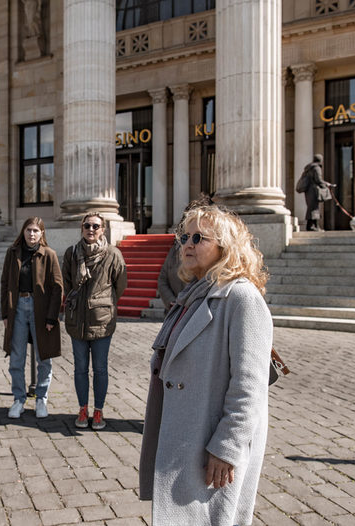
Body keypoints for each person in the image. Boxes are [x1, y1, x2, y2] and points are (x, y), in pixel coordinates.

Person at [138, 204, 272, 526]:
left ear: (225, 247)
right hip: (186, 435)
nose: (187, 244)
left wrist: (227, 448)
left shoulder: (241, 298)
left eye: (199, 237)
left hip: (211, 443)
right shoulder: (194, 293)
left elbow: (249, 386)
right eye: (184, 236)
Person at [62, 212, 127, 430]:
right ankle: (83, 408)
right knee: (80, 368)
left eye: (96, 226)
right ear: (82, 228)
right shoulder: (71, 253)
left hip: (102, 321)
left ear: (103, 229)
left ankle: (98, 411)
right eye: (87, 225)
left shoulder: (113, 254)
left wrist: (104, 303)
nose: (91, 229)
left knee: (100, 368)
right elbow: (67, 283)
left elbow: (120, 285)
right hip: (76, 319)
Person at [0, 217, 63, 419]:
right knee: (16, 358)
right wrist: (5, 313)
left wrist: (52, 317)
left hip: (41, 309)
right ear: (23, 231)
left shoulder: (49, 254)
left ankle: (41, 399)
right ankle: (18, 399)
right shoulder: (13, 253)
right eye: (29, 230)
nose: (32, 234)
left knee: (44, 358)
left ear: (42, 233)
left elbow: (57, 287)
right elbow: (4, 283)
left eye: (36, 230)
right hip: (18, 306)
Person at [303, 154, 333, 231]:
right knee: (314, 208)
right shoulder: (316, 168)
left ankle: (311, 226)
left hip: (308, 191)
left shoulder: (308, 168)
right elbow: (318, 180)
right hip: (314, 191)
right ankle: (314, 227)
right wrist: (327, 184)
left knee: (311, 208)